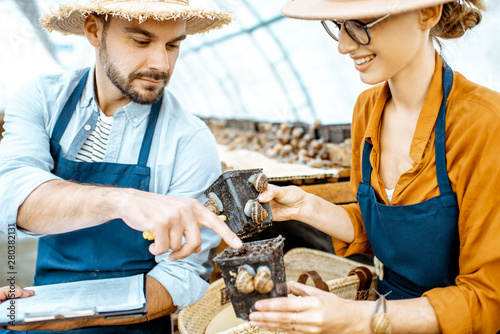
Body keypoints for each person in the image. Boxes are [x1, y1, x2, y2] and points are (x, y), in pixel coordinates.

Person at [248, 0, 500, 333]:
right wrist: (305, 207)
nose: (343, 45)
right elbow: (380, 228)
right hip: (385, 309)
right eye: (338, 25)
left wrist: (355, 317)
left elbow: (487, 300)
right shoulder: (368, 109)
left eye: (362, 23)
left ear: (428, 12)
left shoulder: (483, 123)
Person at [0, 0, 243, 332]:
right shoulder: (43, 101)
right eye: (141, 41)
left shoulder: (190, 140)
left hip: (132, 323)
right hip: (41, 308)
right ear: (94, 30)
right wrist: (122, 202)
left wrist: (66, 315)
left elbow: (181, 276)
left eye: (173, 45)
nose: (162, 64)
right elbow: (12, 198)